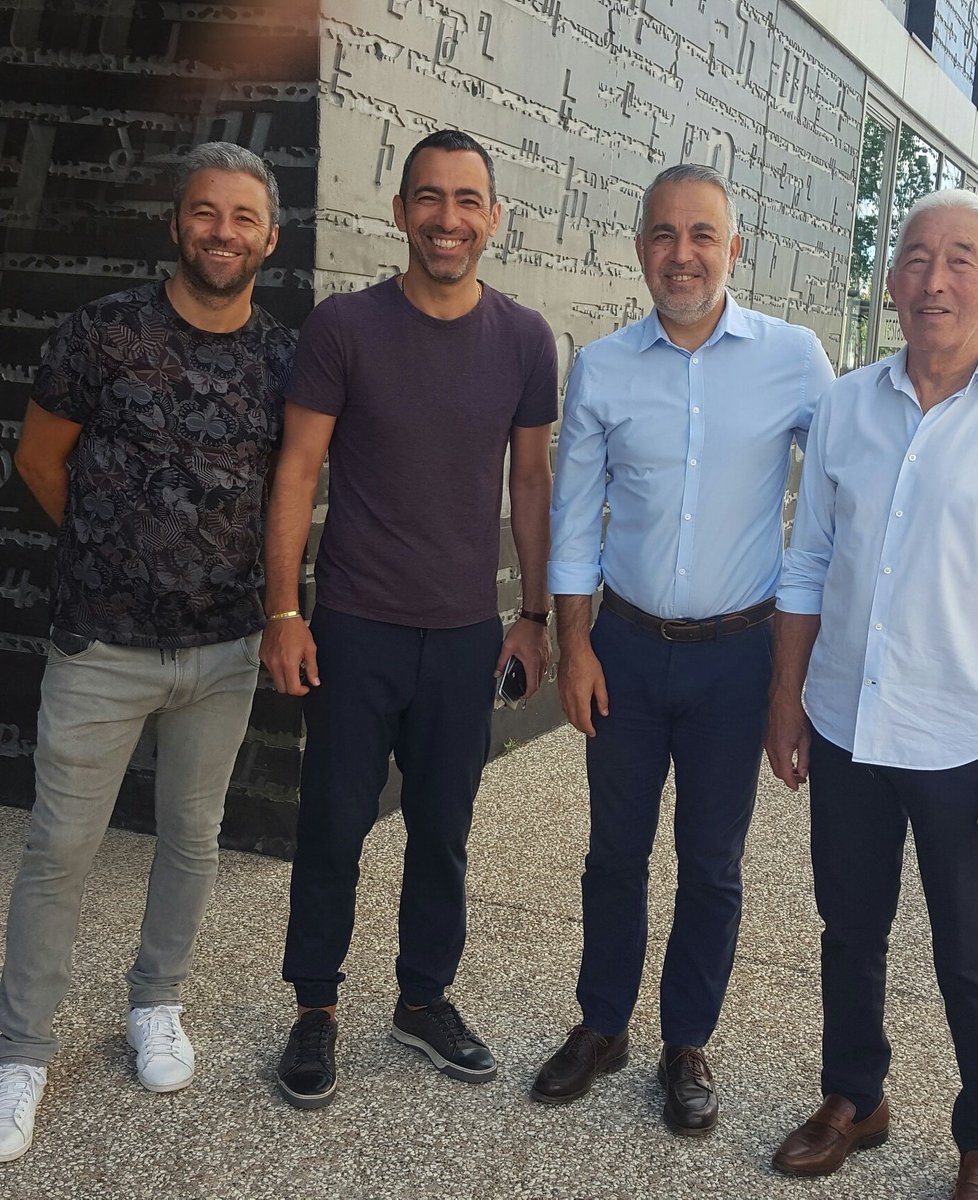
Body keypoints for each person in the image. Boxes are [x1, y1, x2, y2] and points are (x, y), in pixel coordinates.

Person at [765, 189, 978, 1199]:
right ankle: (854, 1100)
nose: (933, 279)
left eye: (959, 259)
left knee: (974, 951)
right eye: (914, 257)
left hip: (961, 738)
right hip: (849, 724)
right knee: (849, 928)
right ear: (891, 281)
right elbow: (808, 564)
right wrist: (787, 701)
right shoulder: (846, 406)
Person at [0, 142, 294, 1161]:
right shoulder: (102, 333)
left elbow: (290, 492)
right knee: (59, 850)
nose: (223, 232)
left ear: (270, 236)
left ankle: (154, 1004)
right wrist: (114, 548)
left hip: (223, 651)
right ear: (178, 223)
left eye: (243, 217)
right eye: (205, 213)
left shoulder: (282, 360)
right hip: (103, 646)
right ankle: (21, 1052)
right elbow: (40, 461)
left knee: (192, 838)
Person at [536, 163, 835, 1136]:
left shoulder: (794, 361)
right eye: (663, 234)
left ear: (733, 248)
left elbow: (837, 503)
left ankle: (686, 1042)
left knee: (712, 862)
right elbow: (575, 522)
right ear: (640, 249)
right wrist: (575, 648)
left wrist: (798, 677)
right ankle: (603, 1024)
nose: (682, 254)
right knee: (614, 853)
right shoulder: (605, 367)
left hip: (734, 661)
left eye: (702, 234)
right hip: (622, 644)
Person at [263, 129, 557, 1109]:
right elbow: (298, 471)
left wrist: (536, 617)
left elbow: (531, 479)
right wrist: (285, 609)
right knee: (333, 827)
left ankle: (423, 999)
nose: (447, 218)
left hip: (467, 630)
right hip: (353, 625)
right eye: (429, 198)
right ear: (400, 212)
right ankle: (315, 1009)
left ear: (492, 218)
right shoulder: (345, 327)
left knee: (444, 830)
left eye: (467, 200)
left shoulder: (523, 338)